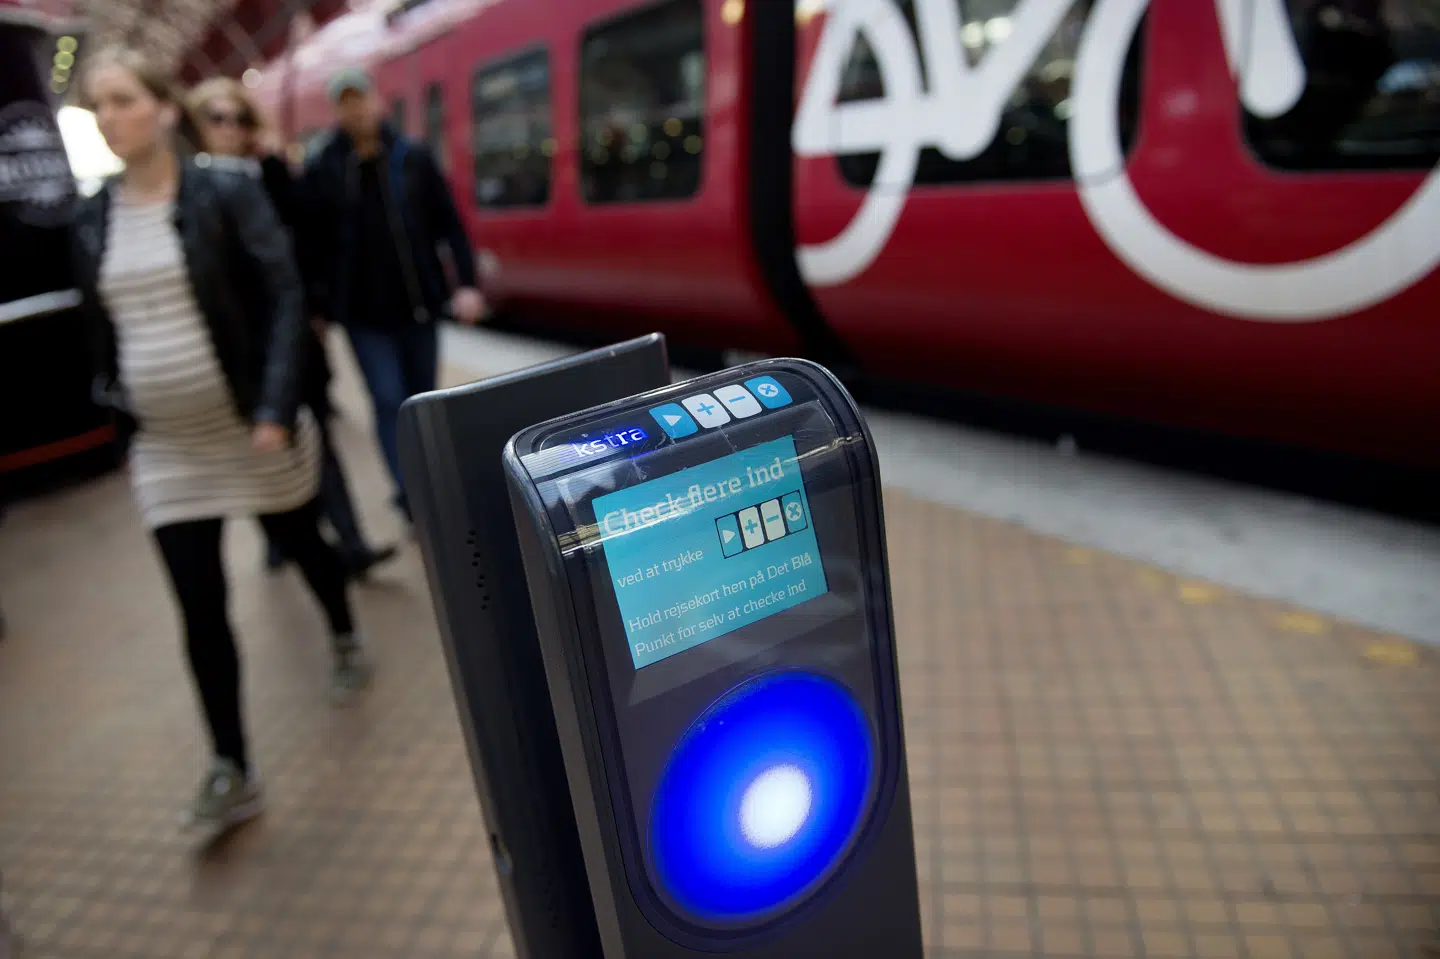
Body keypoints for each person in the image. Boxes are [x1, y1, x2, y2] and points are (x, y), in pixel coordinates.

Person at [76, 48, 373, 827]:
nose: (108, 117)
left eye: (121, 100)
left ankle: (343, 632)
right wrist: (119, 413)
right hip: (167, 448)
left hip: (252, 430)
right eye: (97, 105)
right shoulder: (94, 215)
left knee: (305, 542)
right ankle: (230, 765)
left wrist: (276, 407)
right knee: (199, 605)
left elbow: (281, 294)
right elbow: (102, 326)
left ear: (163, 108)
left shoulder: (225, 193)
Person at [187, 77, 397, 579]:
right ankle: (281, 539)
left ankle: (352, 544)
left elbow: (310, 237)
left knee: (318, 437)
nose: (230, 129)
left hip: (290, 336)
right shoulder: (188, 194)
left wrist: (278, 167)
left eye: (239, 118)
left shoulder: (270, 175)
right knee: (257, 445)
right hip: (232, 349)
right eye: (217, 118)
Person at [303, 66, 484, 522]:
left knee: (424, 400)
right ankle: (411, 498)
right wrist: (320, 307)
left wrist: (466, 285)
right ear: (336, 109)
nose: (355, 108)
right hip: (363, 316)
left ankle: (436, 485)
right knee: (388, 400)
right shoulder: (324, 167)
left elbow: (451, 226)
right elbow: (312, 244)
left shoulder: (413, 157)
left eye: (360, 97)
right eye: (344, 101)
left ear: (376, 99)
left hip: (418, 305)